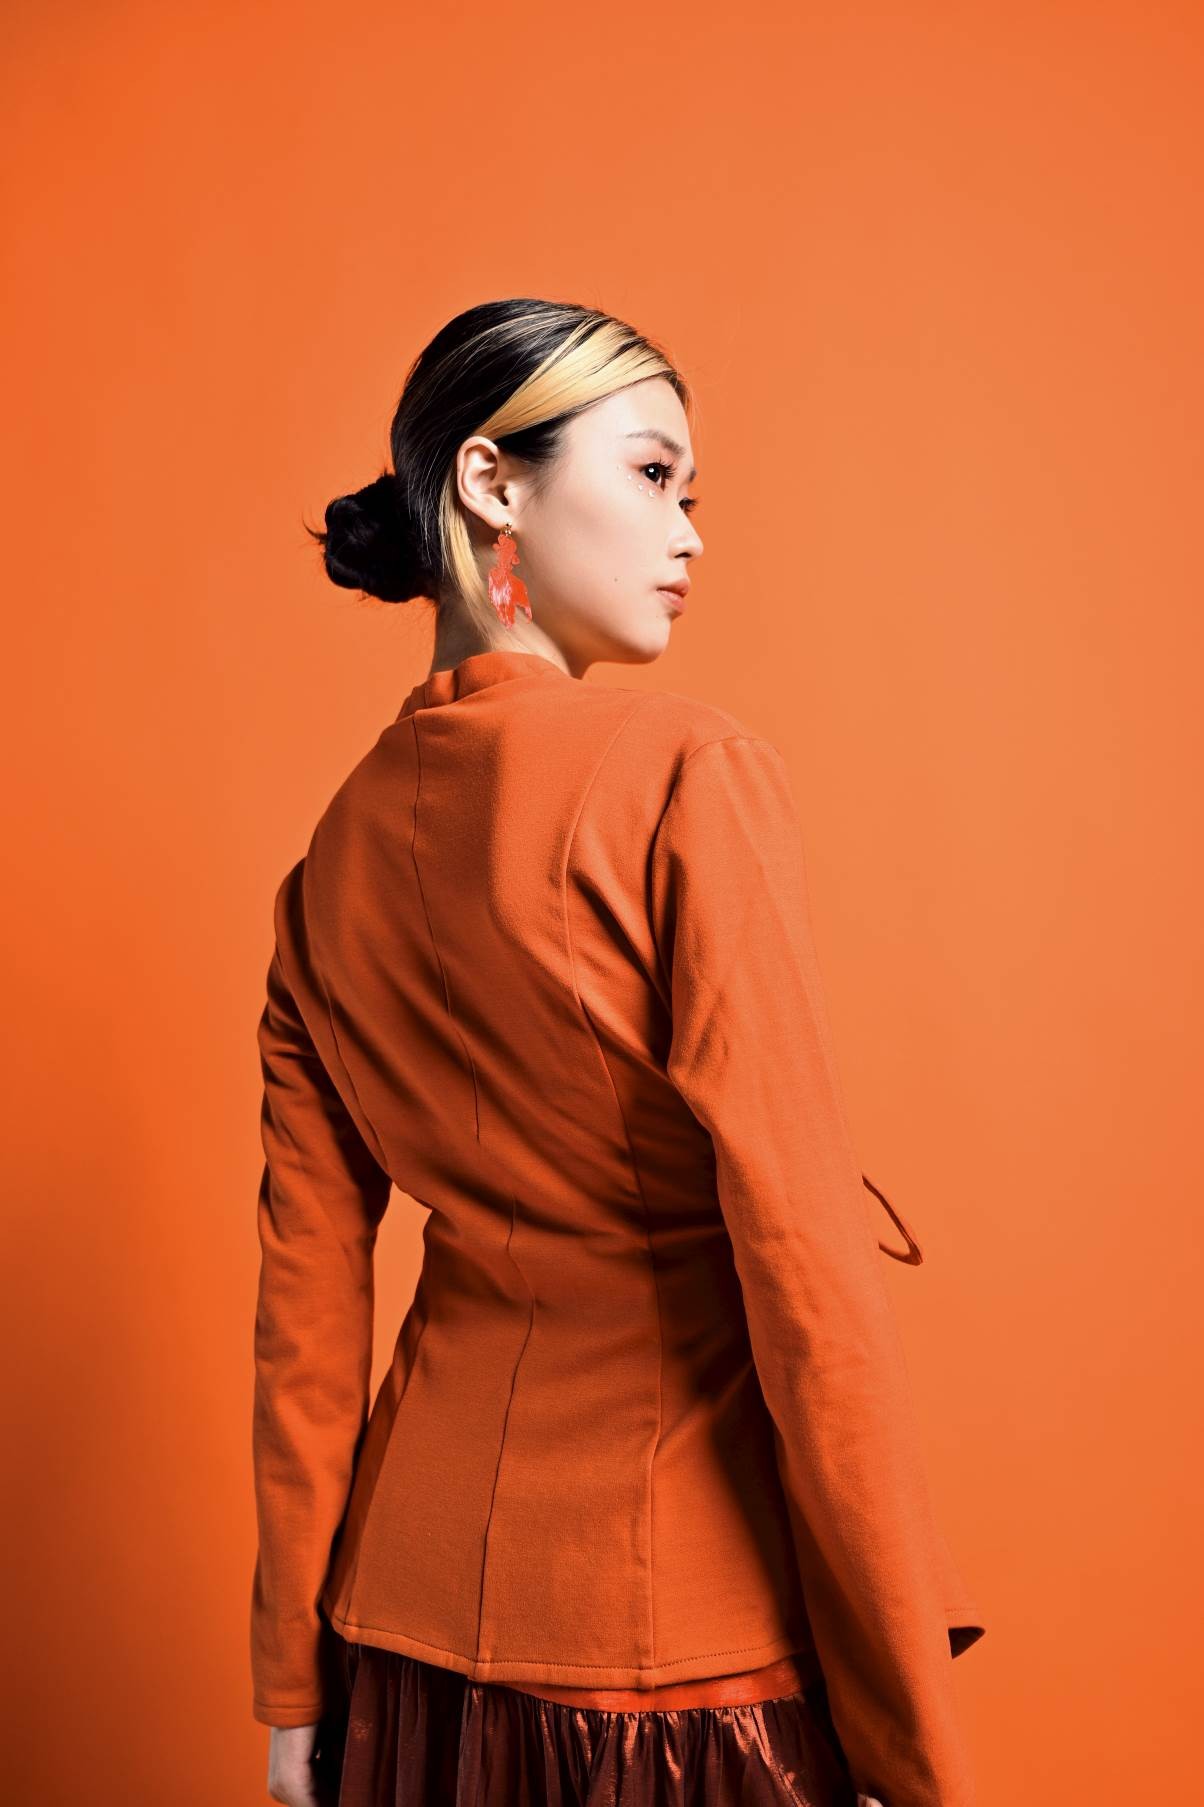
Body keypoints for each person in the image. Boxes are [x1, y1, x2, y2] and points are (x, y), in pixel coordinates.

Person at [249, 298, 986, 1807]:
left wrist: (290, 1686)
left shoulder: (323, 875)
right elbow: (806, 1272)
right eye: (653, 475)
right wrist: (912, 1736)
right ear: (491, 483)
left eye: (692, 493)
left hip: (404, 1648)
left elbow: (306, 1326)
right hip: (672, 1656)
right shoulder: (683, 772)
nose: (690, 533)